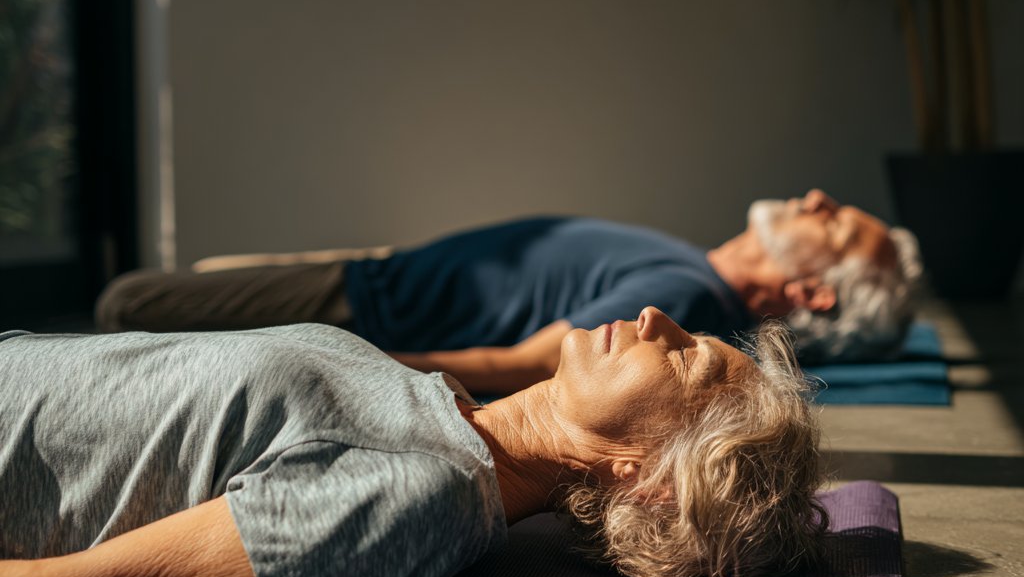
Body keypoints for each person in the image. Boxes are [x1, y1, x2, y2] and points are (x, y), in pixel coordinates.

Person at [0, 309, 824, 577]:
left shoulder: (429, 494)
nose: (657, 320)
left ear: (647, 478)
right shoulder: (448, 414)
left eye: (687, 360)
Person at [95, 190, 921, 395]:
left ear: (812, 293)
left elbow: (529, 364)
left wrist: (334, 359)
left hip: (368, 306)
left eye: (839, 223)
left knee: (126, 305)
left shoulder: (683, 297)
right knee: (182, 288)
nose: (817, 200)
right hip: (381, 271)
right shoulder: (690, 270)